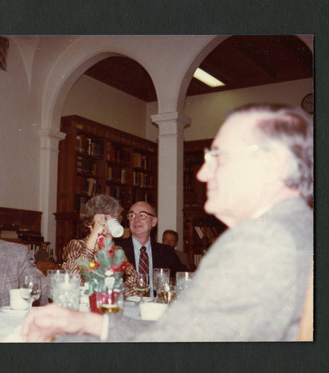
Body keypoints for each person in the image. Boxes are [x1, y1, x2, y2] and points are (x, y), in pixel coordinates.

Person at [21, 103, 313, 342]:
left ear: (272, 164)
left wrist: (85, 325)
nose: (201, 174)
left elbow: (175, 342)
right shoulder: (291, 229)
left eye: (218, 156)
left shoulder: (262, 240)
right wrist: (86, 322)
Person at [62, 194, 138, 296]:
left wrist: (118, 291)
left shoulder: (116, 251)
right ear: (89, 222)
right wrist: (93, 236)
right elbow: (74, 281)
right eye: (105, 218)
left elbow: (137, 282)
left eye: (114, 219)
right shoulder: (76, 245)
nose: (109, 224)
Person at [115, 201, 188, 294]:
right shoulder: (116, 249)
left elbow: (184, 278)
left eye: (142, 215)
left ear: (154, 221)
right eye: (132, 215)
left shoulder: (166, 252)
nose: (136, 220)